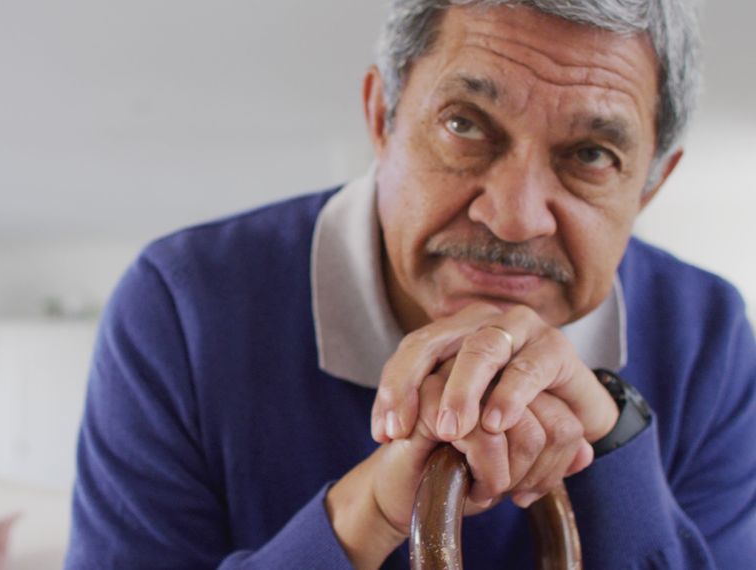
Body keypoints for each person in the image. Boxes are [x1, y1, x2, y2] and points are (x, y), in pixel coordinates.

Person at [66, 1, 756, 568]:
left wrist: (613, 455)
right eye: (464, 125)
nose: (514, 219)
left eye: (590, 155)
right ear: (381, 118)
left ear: (651, 184)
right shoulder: (181, 308)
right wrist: (364, 516)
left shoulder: (709, 337)